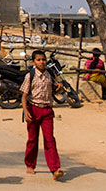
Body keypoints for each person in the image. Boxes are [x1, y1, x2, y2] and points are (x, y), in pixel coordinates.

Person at [21, 50, 65, 180]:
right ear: (34, 62)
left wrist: (59, 88)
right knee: (32, 139)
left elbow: (54, 89)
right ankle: (30, 164)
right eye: (39, 60)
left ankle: (55, 168)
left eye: (43, 59)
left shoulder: (50, 74)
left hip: (47, 110)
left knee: (50, 139)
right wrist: (26, 111)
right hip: (33, 109)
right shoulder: (30, 75)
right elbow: (24, 96)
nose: (42, 62)